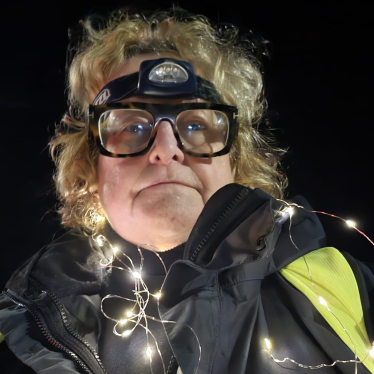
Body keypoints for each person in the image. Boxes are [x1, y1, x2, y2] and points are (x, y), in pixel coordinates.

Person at [1, 7, 374, 374]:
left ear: (236, 161)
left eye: (196, 125)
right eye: (130, 125)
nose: (166, 149)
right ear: (91, 170)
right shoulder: (23, 331)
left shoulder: (348, 290)